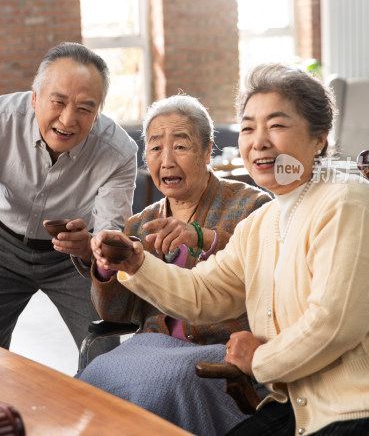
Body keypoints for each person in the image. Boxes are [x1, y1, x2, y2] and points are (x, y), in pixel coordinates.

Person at [91, 63, 369, 436]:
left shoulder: (347, 201)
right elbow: (204, 294)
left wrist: (258, 360)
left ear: (320, 138)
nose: (259, 141)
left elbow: (334, 326)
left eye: (277, 125)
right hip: (309, 401)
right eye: (249, 127)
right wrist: (136, 262)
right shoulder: (263, 221)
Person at [77, 94, 271, 436]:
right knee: (93, 379)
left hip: (221, 348)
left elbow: (260, 266)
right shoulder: (140, 224)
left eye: (180, 146)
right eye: (155, 148)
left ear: (208, 151)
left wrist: (204, 237)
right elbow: (116, 314)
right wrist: (107, 266)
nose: (166, 161)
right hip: (152, 347)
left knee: (166, 386)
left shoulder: (251, 205)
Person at [0, 42, 137, 362]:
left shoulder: (118, 152)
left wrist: (90, 246)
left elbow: (110, 232)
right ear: (34, 97)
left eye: (85, 109)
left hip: (69, 259)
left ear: (98, 111)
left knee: (104, 356)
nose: (68, 119)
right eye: (57, 101)